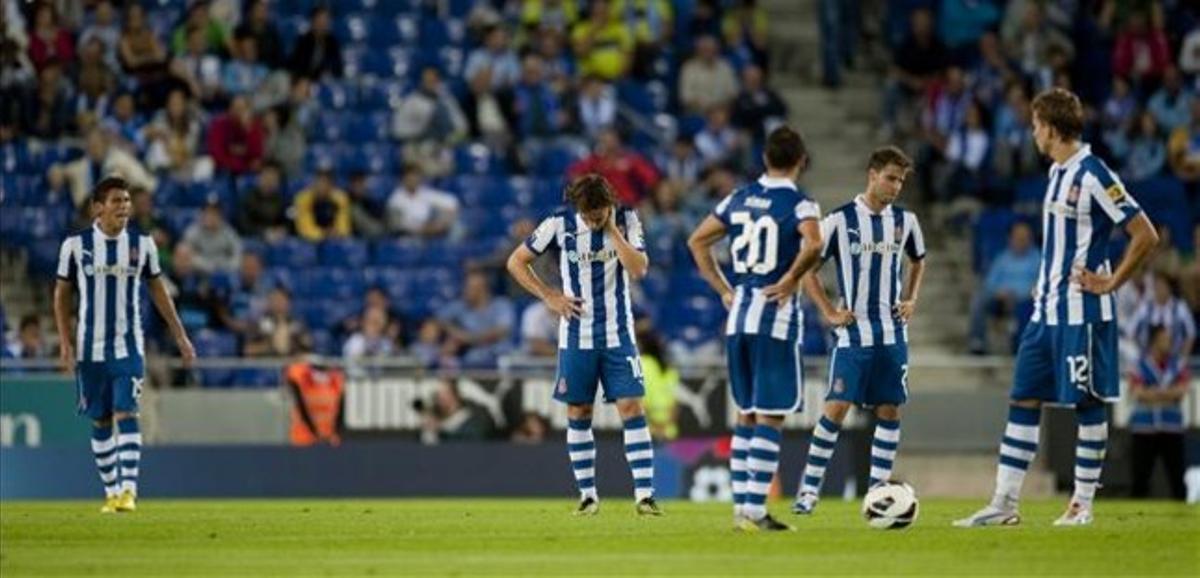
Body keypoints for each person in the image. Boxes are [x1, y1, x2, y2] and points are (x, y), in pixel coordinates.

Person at [955, 88, 1159, 528]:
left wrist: (1112, 281)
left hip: (1081, 313)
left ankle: (1082, 504)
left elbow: (1145, 234)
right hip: (1045, 312)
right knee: (1023, 398)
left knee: (1086, 404)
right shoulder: (1056, 173)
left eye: (1034, 126)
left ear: (1049, 127)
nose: (1032, 133)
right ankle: (1004, 504)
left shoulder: (1094, 173)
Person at [686, 125, 824, 531]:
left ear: (765, 159)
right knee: (771, 416)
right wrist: (792, 279)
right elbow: (813, 245)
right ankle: (755, 510)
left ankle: (741, 510)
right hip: (774, 320)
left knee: (746, 414)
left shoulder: (738, 197)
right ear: (801, 160)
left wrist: (722, 289)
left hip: (738, 315)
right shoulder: (801, 204)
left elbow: (697, 241)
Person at [507, 174, 663, 516]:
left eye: (601, 213)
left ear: (610, 204)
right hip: (576, 335)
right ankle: (588, 496)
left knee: (632, 408)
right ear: (578, 208)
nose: (595, 220)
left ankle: (645, 496)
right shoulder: (558, 224)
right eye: (590, 216)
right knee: (578, 412)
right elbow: (516, 262)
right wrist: (549, 295)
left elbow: (638, 269)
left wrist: (612, 231)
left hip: (619, 334)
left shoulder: (627, 219)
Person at [791, 146, 927, 515]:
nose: (896, 186)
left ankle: (878, 494)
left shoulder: (906, 222)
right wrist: (829, 312)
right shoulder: (839, 220)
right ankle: (808, 491)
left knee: (889, 411)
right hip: (853, 336)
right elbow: (807, 269)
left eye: (901, 180)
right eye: (890, 178)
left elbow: (919, 260)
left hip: (892, 335)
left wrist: (911, 298)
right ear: (872, 174)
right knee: (835, 409)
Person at [53, 176, 197, 514]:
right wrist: (64, 342)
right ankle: (112, 492)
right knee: (101, 420)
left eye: (127, 202)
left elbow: (158, 290)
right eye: (117, 201)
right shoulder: (75, 245)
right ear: (98, 207)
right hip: (90, 349)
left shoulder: (143, 244)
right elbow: (61, 294)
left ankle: (129, 491)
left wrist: (180, 335)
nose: (124, 208)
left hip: (128, 346)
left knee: (126, 411)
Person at [1128, 324, 1190, 500]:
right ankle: (1136, 515)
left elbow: (1182, 391)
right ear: (1154, 341)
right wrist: (1168, 394)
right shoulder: (1139, 364)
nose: (1169, 343)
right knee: (1140, 477)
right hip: (1144, 428)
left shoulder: (1177, 364)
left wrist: (1153, 393)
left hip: (1172, 427)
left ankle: (1181, 514)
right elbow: (1137, 392)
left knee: (1177, 477)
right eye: (1165, 339)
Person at [968, 222, 1041, 355]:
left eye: (1024, 237)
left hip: (1028, 300)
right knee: (979, 300)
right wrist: (999, 292)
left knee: (1025, 306)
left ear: (1030, 239)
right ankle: (977, 342)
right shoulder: (1002, 258)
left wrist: (1025, 294)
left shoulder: (1038, 258)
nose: (1021, 240)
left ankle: (1021, 345)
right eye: (1018, 237)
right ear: (1010, 238)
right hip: (1002, 299)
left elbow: (1042, 283)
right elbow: (990, 283)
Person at [1131, 272, 1195, 359]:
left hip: (1173, 359)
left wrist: (1183, 357)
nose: (1159, 290)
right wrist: (1138, 354)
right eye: (1157, 287)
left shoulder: (1180, 308)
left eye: (1162, 286)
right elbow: (1130, 332)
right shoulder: (1145, 308)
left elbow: (1190, 334)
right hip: (1148, 359)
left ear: (1169, 288)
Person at [286, 353, 344, 447]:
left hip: (329, 438)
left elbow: (340, 412)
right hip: (303, 438)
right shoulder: (303, 381)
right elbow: (292, 373)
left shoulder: (335, 383)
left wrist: (335, 433)